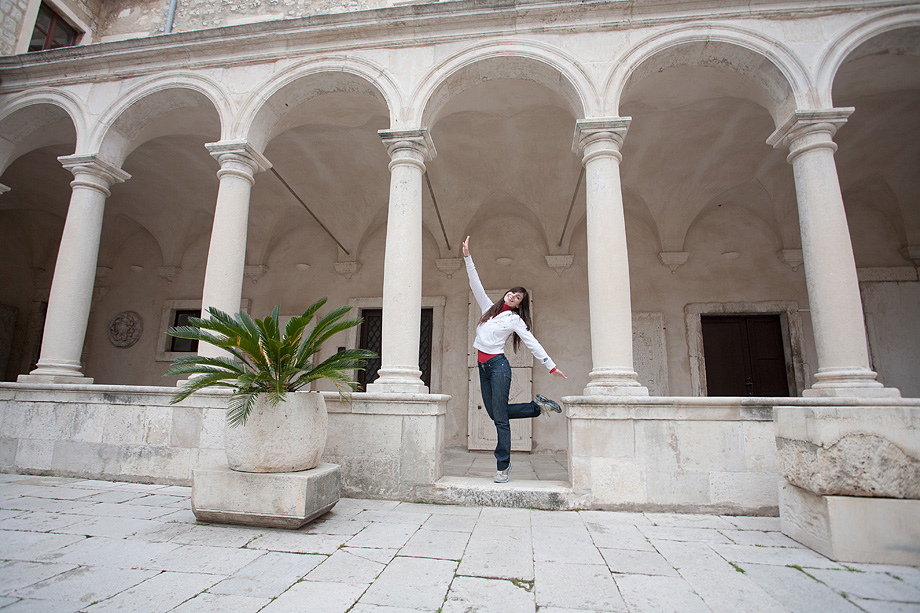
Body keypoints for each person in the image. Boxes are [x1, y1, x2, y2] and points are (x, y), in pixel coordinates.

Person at [462, 236, 567, 483]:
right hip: (483, 367)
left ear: (520, 305)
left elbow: (532, 342)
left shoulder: (515, 320)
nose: (513, 296)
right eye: (512, 293)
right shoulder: (488, 309)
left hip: (499, 367)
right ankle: (536, 407)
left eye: (518, 297)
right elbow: (475, 282)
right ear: (506, 294)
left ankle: (503, 467)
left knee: (500, 419)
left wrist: (550, 365)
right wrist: (468, 257)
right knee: (494, 412)